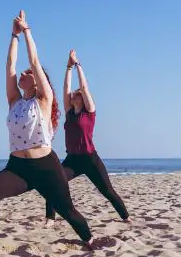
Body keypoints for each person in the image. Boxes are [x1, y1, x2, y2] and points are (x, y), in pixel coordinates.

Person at [0, 10, 94, 257]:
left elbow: (33, 60)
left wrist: (27, 30)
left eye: (28, 73)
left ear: (37, 81)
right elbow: (10, 65)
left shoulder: (44, 99)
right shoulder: (14, 101)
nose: (22, 73)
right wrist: (13, 35)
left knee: (68, 211)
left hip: (45, 166)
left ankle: (90, 239)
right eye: (24, 73)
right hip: (17, 167)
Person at [44, 50, 130, 225]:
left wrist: (78, 65)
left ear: (83, 99)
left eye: (77, 95)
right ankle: (50, 219)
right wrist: (68, 67)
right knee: (53, 183)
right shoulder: (69, 113)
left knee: (107, 190)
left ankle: (126, 217)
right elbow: (65, 88)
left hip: (90, 159)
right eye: (73, 95)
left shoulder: (89, 113)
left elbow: (84, 87)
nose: (74, 95)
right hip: (72, 160)